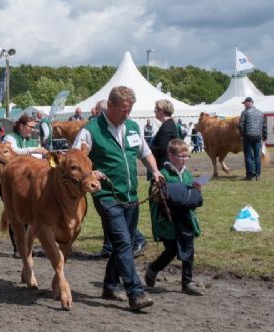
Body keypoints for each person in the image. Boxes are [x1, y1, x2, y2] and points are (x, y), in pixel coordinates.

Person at [73, 86, 161, 311]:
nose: (127, 115)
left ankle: (110, 286)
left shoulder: (132, 127)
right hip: (106, 196)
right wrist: (91, 173)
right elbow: (76, 160)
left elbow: (145, 152)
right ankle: (136, 292)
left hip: (131, 195)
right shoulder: (91, 130)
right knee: (123, 242)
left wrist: (156, 171)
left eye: (129, 110)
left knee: (126, 243)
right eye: (122, 110)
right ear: (109, 106)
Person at [145, 139, 204, 296]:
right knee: (171, 250)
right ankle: (153, 269)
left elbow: (191, 195)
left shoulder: (188, 174)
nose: (185, 159)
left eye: (187, 156)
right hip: (168, 220)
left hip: (185, 219)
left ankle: (187, 282)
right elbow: (154, 196)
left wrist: (197, 190)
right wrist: (159, 191)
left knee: (188, 249)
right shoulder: (162, 174)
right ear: (171, 156)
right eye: (181, 156)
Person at [3, 114, 48, 257]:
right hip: (10, 182)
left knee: (29, 215)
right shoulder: (9, 138)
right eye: (30, 127)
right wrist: (33, 150)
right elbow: (13, 152)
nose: (32, 130)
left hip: (29, 182)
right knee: (14, 215)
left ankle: (27, 246)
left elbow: (38, 158)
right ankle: (17, 247)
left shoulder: (31, 141)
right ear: (21, 126)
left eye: (34, 127)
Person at [238, 97, 267, 181]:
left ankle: (250, 175)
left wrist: (242, 135)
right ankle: (257, 174)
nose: (244, 105)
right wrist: (264, 137)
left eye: (244, 103)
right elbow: (264, 126)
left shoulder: (245, 113)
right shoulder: (260, 113)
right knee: (257, 156)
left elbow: (240, 125)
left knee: (248, 156)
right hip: (258, 137)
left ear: (249, 102)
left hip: (248, 136)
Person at [151, 99, 179, 169]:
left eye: (156, 109)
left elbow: (162, 148)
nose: (154, 111)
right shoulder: (168, 124)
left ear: (161, 110)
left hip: (165, 166)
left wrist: (148, 148)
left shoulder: (167, 127)